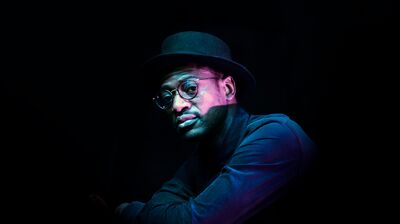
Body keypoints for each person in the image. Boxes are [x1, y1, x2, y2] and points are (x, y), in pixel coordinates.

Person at [114, 31, 316, 223]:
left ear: (227, 89)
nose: (176, 106)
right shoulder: (201, 160)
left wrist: (125, 210)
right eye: (167, 97)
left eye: (190, 88)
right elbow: (157, 210)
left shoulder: (277, 137)